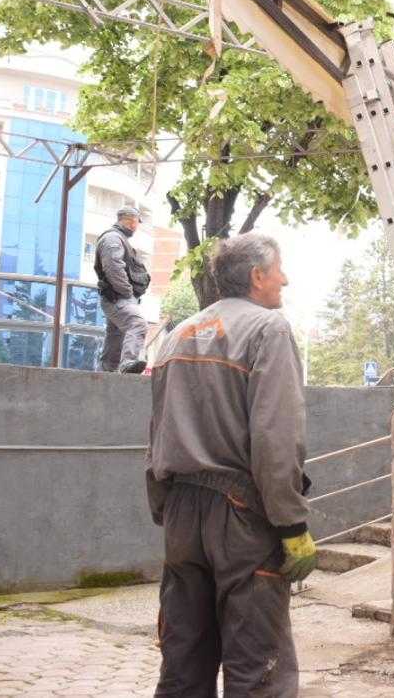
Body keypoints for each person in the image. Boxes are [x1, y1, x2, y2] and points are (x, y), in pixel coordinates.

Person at [145, 233, 316, 698]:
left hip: (180, 511)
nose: (285, 279)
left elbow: (156, 431)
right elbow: (276, 436)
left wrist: (164, 506)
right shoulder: (268, 330)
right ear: (258, 276)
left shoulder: (176, 337)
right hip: (242, 519)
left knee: (183, 663)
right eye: (279, 270)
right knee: (257, 670)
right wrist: (291, 523)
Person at [95, 206, 152, 373]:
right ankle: (128, 362)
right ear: (132, 221)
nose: (136, 227)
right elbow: (113, 268)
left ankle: (105, 374)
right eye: (136, 223)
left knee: (115, 342)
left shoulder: (118, 238)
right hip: (118, 298)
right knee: (138, 324)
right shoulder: (113, 239)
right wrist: (127, 293)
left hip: (116, 298)